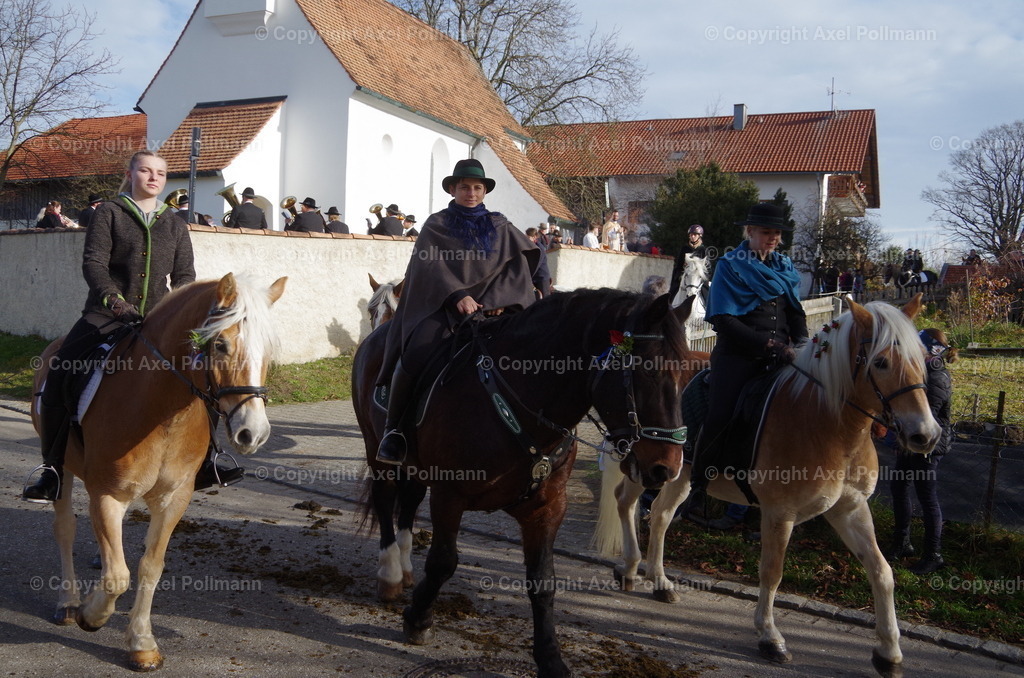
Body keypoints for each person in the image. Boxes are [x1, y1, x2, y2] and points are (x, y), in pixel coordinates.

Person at [21, 150, 239, 503]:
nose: (154, 178)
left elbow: (184, 276)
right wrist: (114, 301)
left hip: (159, 319)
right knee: (61, 368)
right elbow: (94, 264)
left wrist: (178, 310)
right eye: (146, 170)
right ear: (131, 173)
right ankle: (52, 468)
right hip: (105, 315)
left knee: (203, 374)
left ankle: (208, 460)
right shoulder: (109, 212)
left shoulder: (175, 223)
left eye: (161, 173)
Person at [375, 159, 540, 464]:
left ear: (484, 191)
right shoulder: (436, 225)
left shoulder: (499, 224)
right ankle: (393, 431)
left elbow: (524, 259)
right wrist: (456, 295)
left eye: (477, 187)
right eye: (465, 187)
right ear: (453, 189)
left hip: (492, 308)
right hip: (443, 307)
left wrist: (498, 298)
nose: (471, 192)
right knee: (416, 352)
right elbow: (428, 266)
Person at [693, 203, 807, 497]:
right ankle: (699, 484)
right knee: (721, 415)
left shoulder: (785, 267)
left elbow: (795, 312)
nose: (772, 238)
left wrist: (803, 344)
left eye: (776, 233)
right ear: (750, 231)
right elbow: (722, 318)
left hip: (782, 356)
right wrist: (766, 344)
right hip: (737, 356)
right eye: (766, 232)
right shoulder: (730, 265)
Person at [883, 328, 958, 574]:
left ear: (931, 350)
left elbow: (927, 420)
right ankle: (902, 543)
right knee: (899, 489)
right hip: (909, 443)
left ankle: (933, 554)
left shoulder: (937, 377)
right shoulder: (922, 372)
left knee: (927, 499)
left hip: (927, 446)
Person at [667, 224, 708, 300]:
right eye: (691, 234)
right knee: (672, 290)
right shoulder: (684, 248)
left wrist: (702, 276)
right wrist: (679, 275)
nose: (692, 236)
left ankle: (708, 308)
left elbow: (708, 267)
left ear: (700, 236)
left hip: (698, 277)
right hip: (685, 275)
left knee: (707, 293)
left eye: (695, 235)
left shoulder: (704, 250)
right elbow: (679, 265)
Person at [526, 226, 551, 299]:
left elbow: (536, 264)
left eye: (528, 237)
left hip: (542, 278)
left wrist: (528, 277)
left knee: (545, 301)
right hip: (535, 278)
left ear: (534, 237)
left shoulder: (539, 248)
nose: (526, 240)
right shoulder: (531, 246)